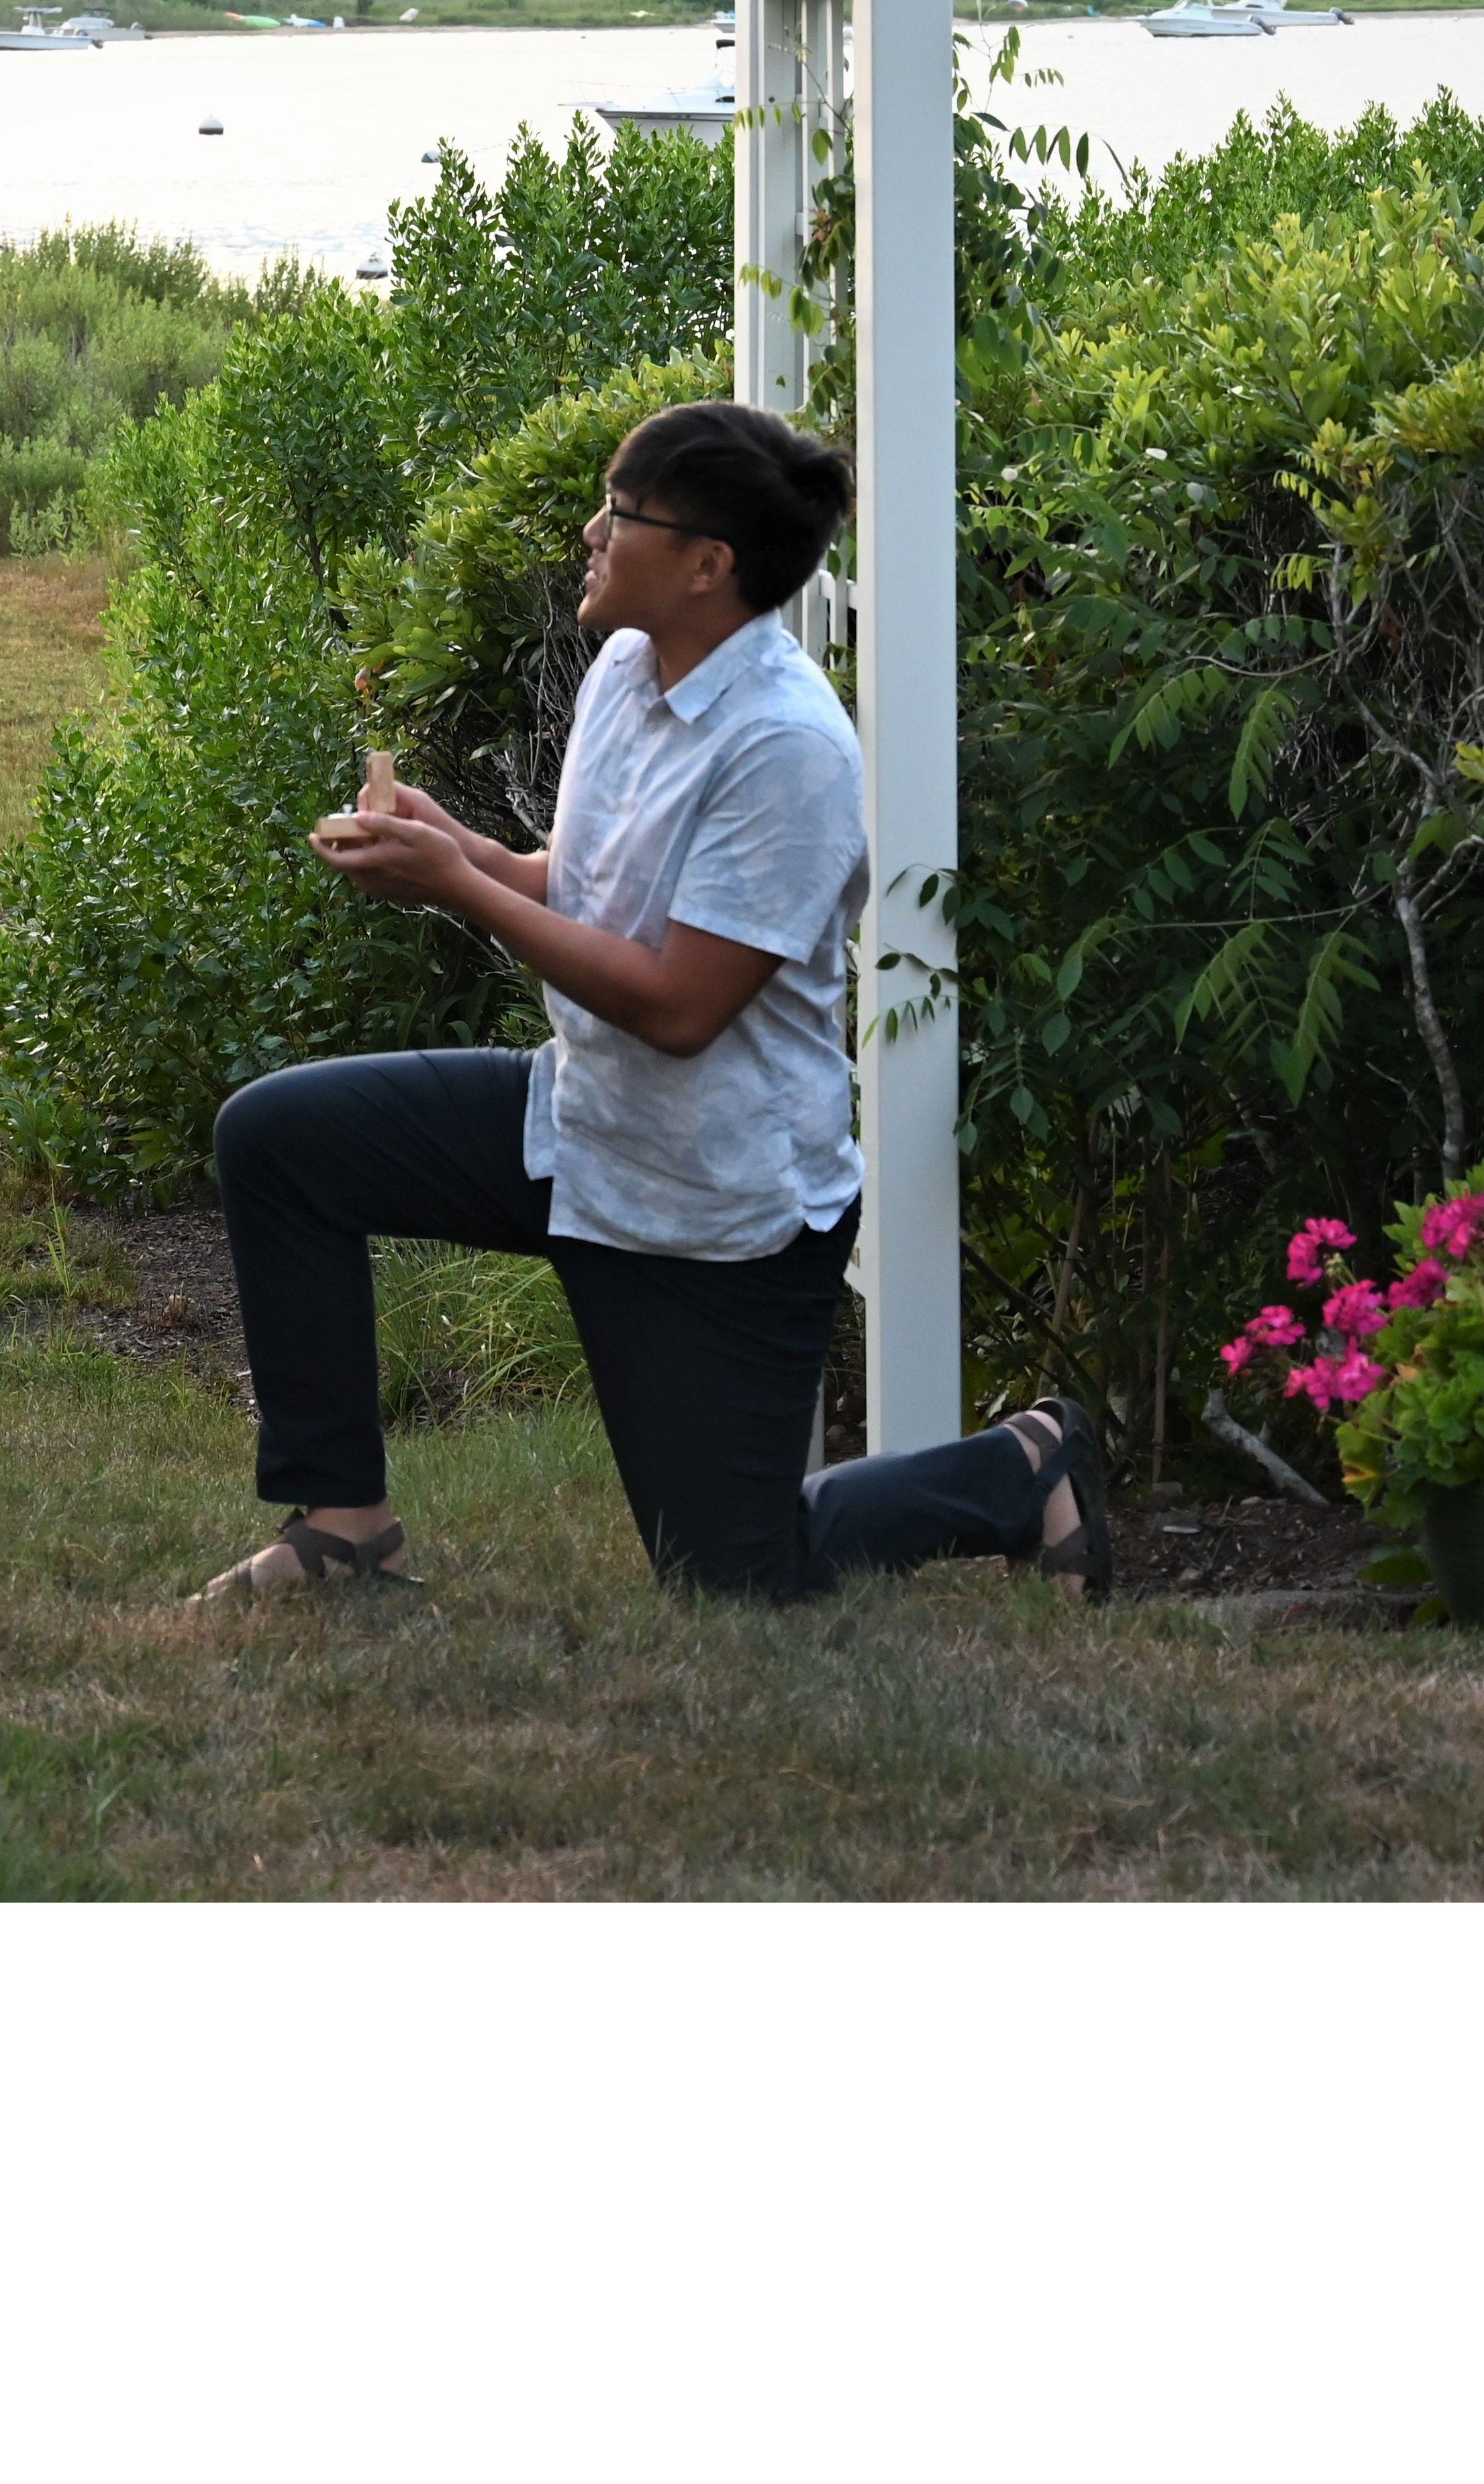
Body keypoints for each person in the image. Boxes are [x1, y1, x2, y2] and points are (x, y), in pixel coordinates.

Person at [197, 398, 1111, 1609]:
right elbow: (580, 894)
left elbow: (682, 1006)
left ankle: (1021, 1467)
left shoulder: (787, 750)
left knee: (739, 1583)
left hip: (712, 1205)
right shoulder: (628, 669)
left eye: (620, 513)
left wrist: (465, 890)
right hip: (576, 1127)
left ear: (707, 565)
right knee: (280, 1141)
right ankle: (346, 1530)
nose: (591, 531)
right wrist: (459, 847)